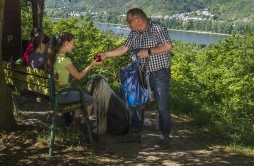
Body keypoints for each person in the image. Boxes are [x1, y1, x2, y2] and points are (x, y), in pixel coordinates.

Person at [98, 8, 173, 150]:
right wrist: (106, 54)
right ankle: (135, 133)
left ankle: (165, 137)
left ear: (137, 20)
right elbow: (124, 48)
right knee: (136, 102)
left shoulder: (157, 28)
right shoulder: (134, 33)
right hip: (140, 72)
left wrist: (149, 51)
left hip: (159, 73)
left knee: (162, 106)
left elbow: (168, 46)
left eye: (129, 21)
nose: (128, 25)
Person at [48, 32, 102, 125]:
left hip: (55, 94)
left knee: (78, 93)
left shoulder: (54, 57)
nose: (74, 46)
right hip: (62, 95)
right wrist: (91, 64)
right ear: (66, 44)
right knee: (90, 100)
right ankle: (84, 125)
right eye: (73, 43)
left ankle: (76, 124)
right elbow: (79, 76)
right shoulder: (65, 60)